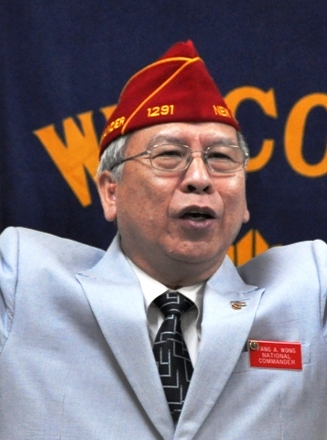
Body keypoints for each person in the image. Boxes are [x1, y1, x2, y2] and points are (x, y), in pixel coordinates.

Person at [0, 41, 327, 440]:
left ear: (244, 201)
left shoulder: (310, 287)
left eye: (221, 158)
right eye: (169, 155)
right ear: (111, 192)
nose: (200, 178)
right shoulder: (23, 278)